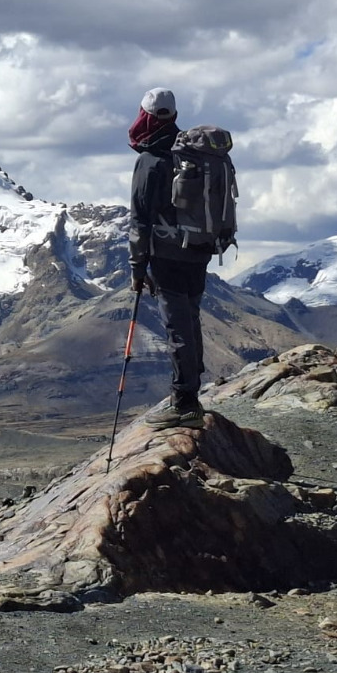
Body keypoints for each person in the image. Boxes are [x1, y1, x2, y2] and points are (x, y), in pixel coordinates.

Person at [128, 87, 215, 427]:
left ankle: (185, 403)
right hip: (199, 251)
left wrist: (138, 267)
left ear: (144, 116)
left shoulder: (149, 161)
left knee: (177, 326)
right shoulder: (193, 155)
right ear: (174, 116)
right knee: (190, 319)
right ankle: (190, 393)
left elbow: (140, 219)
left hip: (167, 257)